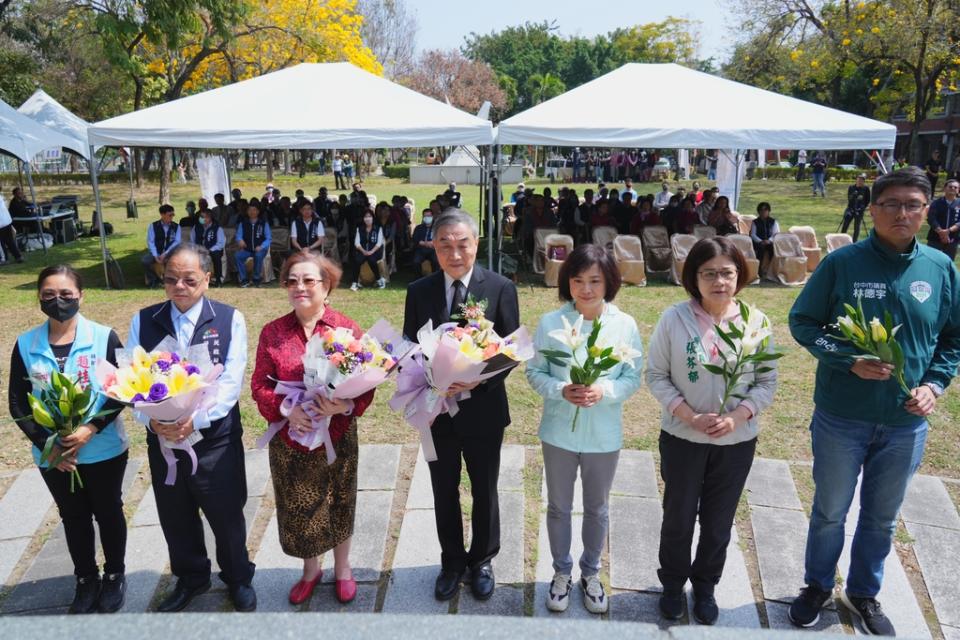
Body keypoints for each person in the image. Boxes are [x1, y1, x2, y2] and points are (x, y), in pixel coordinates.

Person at [787, 167, 960, 636]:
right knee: (829, 511)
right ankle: (816, 586)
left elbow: (952, 340)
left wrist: (935, 385)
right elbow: (803, 322)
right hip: (842, 416)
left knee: (881, 518)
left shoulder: (941, 268)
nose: (901, 213)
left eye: (912, 205)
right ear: (873, 209)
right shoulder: (843, 264)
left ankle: (863, 592)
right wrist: (847, 359)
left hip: (905, 424)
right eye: (891, 204)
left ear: (926, 212)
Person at [646, 237, 778, 625]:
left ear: (739, 275)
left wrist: (738, 416)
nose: (719, 281)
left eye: (727, 273)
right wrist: (688, 415)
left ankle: (705, 586)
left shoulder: (756, 321)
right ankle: (672, 586)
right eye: (709, 274)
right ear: (694, 278)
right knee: (679, 517)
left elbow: (767, 381)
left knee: (719, 521)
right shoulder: (675, 319)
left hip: (735, 443)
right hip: (683, 439)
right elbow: (656, 375)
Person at [127, 243, 256, 613]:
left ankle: (238, 577)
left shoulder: (229, 319)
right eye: (170, 279)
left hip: (214, 439)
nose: (179, 287)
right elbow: (133, 380)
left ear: (207, 278)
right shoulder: (144, 319)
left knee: (227, 513)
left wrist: (193, 420)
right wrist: (151, 420)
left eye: (189, 279)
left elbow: (230, 383)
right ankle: (192, 577)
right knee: (175, 514)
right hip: (164, 439)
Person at [402, 209, 520, 602]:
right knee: (443, 488)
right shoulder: (419, 291)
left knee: (485, 487)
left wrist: (476, 378)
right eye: (444, 245)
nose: (455, 254)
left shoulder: (501, 287)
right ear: (433, 247)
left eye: (462, 244)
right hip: (436, 412)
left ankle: (483, 559)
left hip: (484, 410)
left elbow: (512, 349)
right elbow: (408, 346)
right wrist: (430, 378)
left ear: (476, 243)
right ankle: (452, 560)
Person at [251, 252, 374, 606]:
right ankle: (310, 570)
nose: (299, 287)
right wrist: (286, 411)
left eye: (308, 280)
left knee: (341, 500)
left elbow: (368, 382)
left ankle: (344, 569)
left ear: (327, 285)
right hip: (293, 440)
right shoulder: (273, 333)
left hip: (337, 436)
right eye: (291, 280)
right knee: (300, 507)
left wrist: (345, 405)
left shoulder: (346, 330)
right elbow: (259, 385)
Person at [526, 245, 643, 615]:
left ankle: (591, 573)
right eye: (578, 281)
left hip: (603, 435)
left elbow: (631, 376)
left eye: (595, 281)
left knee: (597, 507)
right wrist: (561, 389)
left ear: (610, 281)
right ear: (567, 282)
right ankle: (561, 572)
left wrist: (603, 391)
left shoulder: (624, 325)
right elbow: (535, 372)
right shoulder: (551, 323)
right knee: (559, 506)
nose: (586, 289)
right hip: (559, 431)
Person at [9, 265, 128, 614]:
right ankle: (85, 578)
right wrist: (51, 445)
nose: (57, 301)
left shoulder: (104, 337)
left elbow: (121, 390)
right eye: (48, 295)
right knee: (73, 516)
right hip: (54, 455)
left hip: (103, 449)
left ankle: (115, 575)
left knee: (108, 512)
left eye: (66, 295)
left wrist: (90, 429)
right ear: (39, 298)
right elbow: (18, 401)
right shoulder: (26, 343)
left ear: (81, 296)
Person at [141, 205, 182, 288]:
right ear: (162, 215)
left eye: (173, 215)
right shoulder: (153, 226)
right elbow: (151, 241)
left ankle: (172, 281)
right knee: (145, 260)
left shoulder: (176, 227)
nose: (172, 217)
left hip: (170, 252)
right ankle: (153, 281)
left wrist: (165, 253)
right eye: (170, 215)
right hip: (157, 252)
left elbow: (177, 242)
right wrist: (155, 255)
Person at [234, 203, 271, 288]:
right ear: (247, 212)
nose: (252, 212)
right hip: (247, 249)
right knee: (238, 256)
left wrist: (261, 246)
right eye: (250, 210)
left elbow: (268, 238)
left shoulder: (264, 223)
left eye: (254, 210)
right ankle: (244, 279)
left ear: (258, 212)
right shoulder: (243, 223)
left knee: (258, 256)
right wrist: (240, 240)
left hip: (260, 249)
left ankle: (256, 278)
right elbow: (238, 236)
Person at [349, 208, 385, 291]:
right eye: (365, 217)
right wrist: (363, 251)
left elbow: (379, 243)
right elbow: (357, 243)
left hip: (375, 251)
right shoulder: (359, 229)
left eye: (369, 216)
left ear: (373, 218)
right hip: (363, 251)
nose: (367, 219)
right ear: (363, 219)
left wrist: (371, 251)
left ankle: (379, 280)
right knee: (357, 261)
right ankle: (355, 283)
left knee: (372, 260)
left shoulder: (378, 228)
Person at [926, 179, 960, 260]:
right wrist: (941, 232)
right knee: (931, 261)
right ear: (945, 188)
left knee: (948, 263)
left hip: (953, 239)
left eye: (955, 187)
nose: (953, 188)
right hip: (935, 238)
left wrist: (948, 231)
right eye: (950, 186)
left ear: (958, 190)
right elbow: (931, 218)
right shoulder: (936, 203)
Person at [192, 208, 226, 287]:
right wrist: (197, 249)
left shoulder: (217, 228)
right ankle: (197, 280)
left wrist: (209, 250)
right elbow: (192, 241)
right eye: (200, 217)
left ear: (209, 218)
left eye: (203, 217)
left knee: (216, 256)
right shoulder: (196, 227)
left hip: (213, 250)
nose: (201, 219)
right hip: (200, 249)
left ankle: (218, 280)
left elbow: (220, 243)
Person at [750, 202, 779, 272]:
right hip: (758, 242)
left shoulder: (773, 222)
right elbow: (753, 235)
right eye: (761, 210)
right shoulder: (755, 222)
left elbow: (776, 234)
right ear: (758, 212)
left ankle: (773, 270)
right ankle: (758, 270)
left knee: (773, 249)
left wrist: (769, 240)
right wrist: (760, 241)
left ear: (768, 211)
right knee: (761, 249)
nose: (763, 212)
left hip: (770, 242)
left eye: (765, 210)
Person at [842, 174, 872, 242]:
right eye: (858, 180)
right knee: (845, 224)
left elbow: (868, 200)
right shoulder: (851, 187)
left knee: (857, 227)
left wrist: (863, 207)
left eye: (861, 181)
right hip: (850, 208)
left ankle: (854, 241)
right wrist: (853, 195)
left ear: (864, 181)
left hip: (859, 210)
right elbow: (849, 198)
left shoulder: (866, 188)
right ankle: (841, 239)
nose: (859, 182)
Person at [0, 186, 24, 264]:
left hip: (2, 223)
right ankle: (18, 256)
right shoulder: (1, 196)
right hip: (7, 221)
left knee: (1, 242)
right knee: (10, 241)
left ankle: (4, 259)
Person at [412, 208, 438, 276]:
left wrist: (433, 243)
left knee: (436, 261)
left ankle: (436, 279)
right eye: (425, 216)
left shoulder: (437, 228)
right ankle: (418, 279)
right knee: (416, 261)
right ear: (423, 217)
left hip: (433, 249)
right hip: (421, 249)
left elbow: (441, 239)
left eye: (429, 216)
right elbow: (415, 239)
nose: (427, 218)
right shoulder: (418, 228)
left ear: (433, 217)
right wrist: (424, 243)